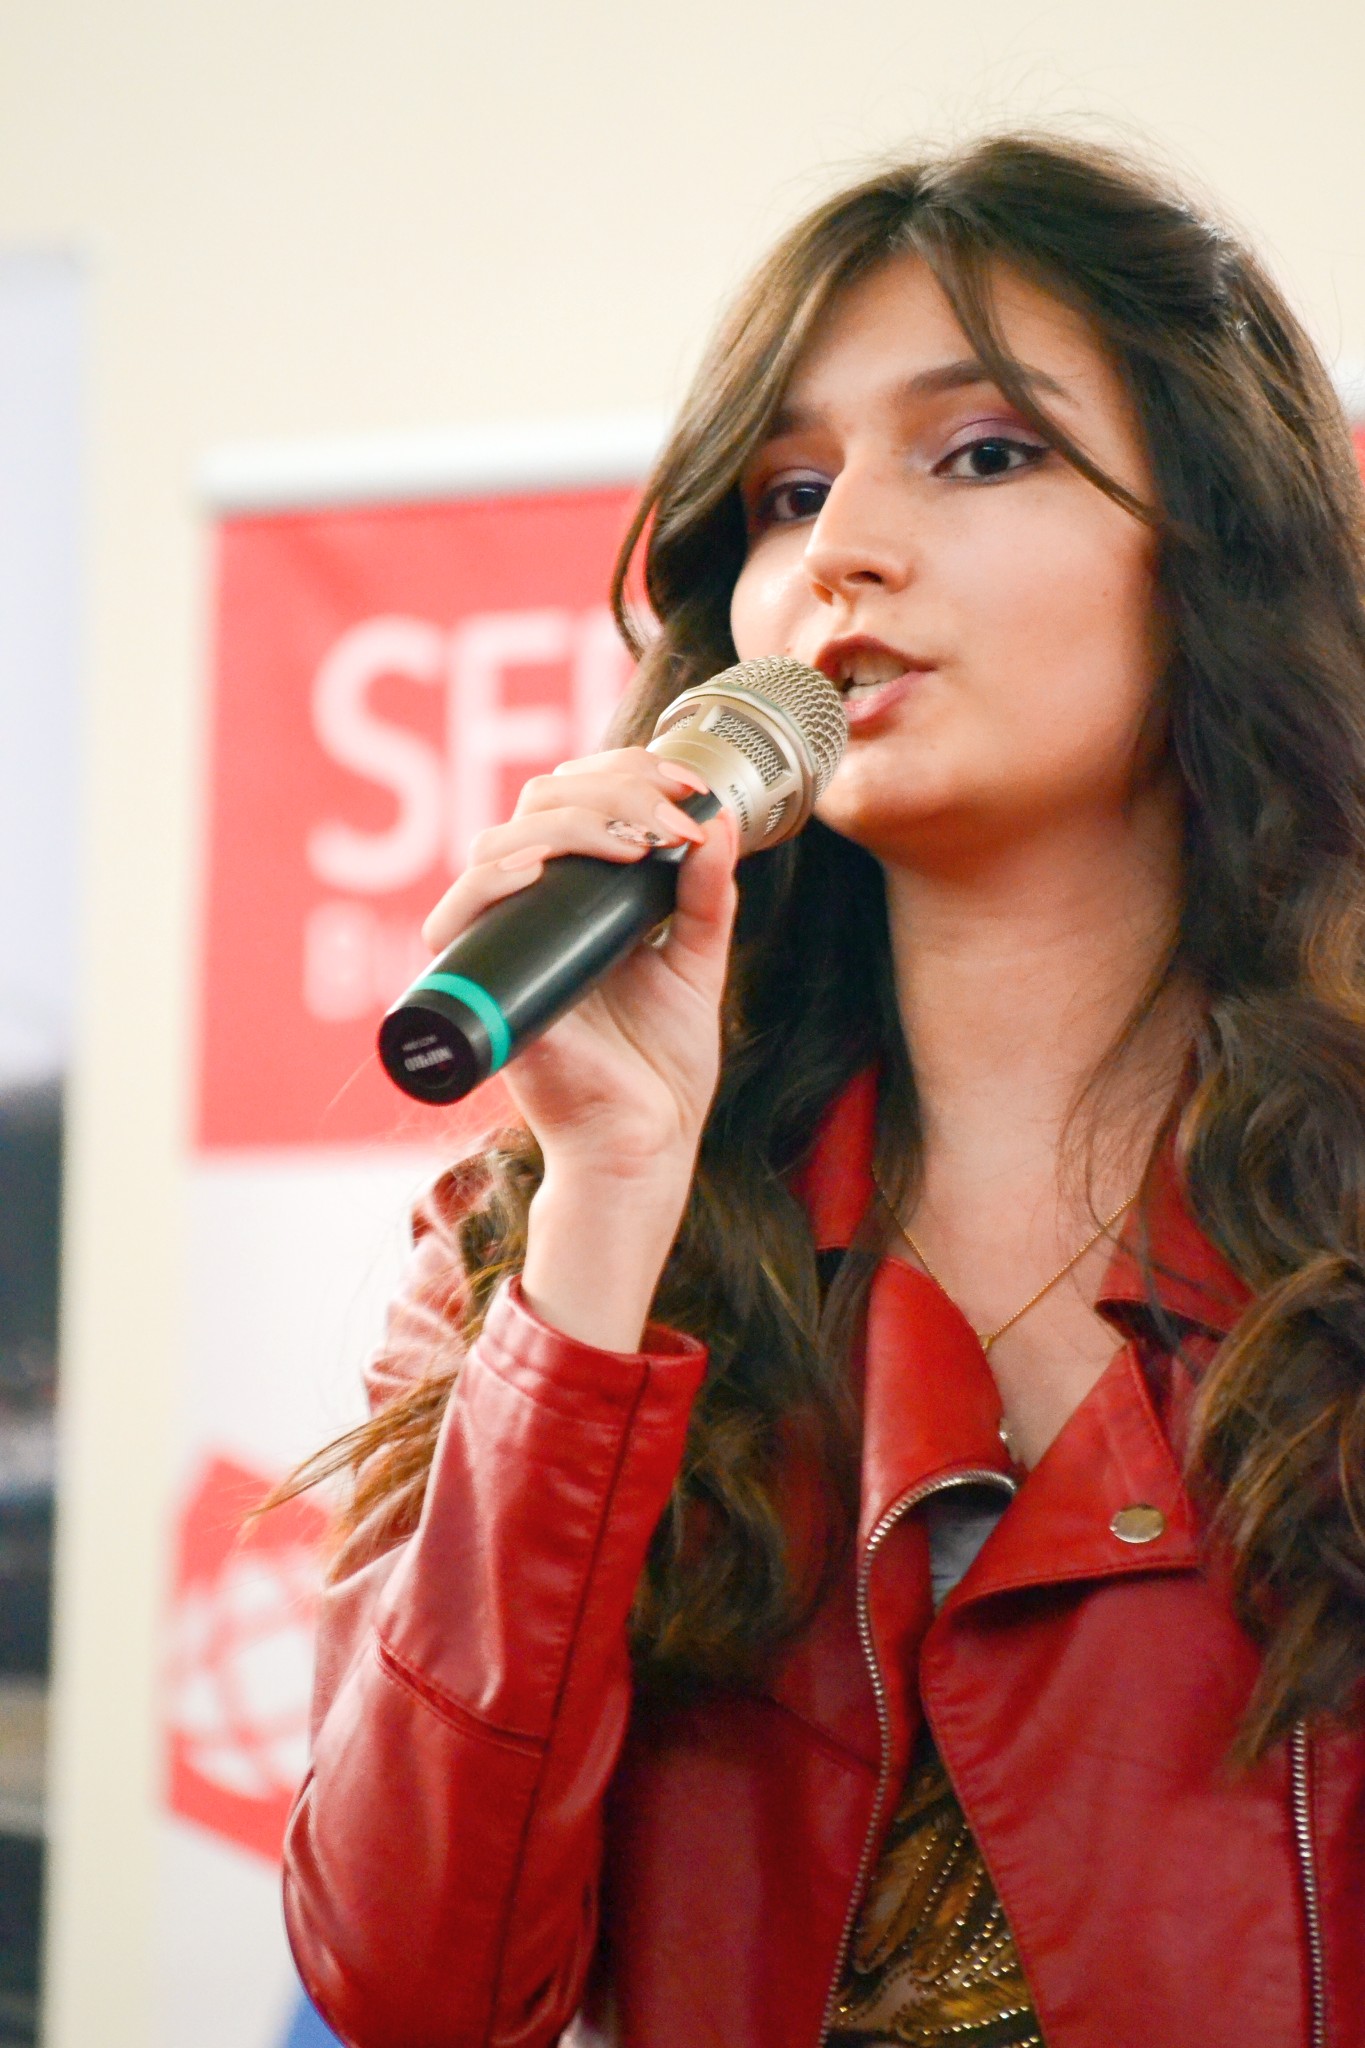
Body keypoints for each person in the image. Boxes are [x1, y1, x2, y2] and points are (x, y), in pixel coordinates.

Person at [280, 136, 1365, 2048]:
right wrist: (607, 1212)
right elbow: (409, 1988)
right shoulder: (541, 1250)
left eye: (982, 453)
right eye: (787, 493)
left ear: (1216, 543)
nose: (839, 547)